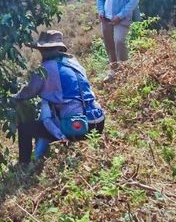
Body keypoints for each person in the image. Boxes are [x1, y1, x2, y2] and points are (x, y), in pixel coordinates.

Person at [12, 30, 106, 165]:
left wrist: (15, 98)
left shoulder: (45, 69)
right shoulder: (74, 63)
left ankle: (23, 165)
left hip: (74, 125)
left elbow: (30, 91)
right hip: (97, 121)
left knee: (25, 129)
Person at [96, 0, 140, 77]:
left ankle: (125, 72)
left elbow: (132, 2)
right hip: (106, 19)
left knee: (119, 41)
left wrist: (120, 16)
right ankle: (114, 71)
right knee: (109, 45)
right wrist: (100, 11)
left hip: (121, 20)